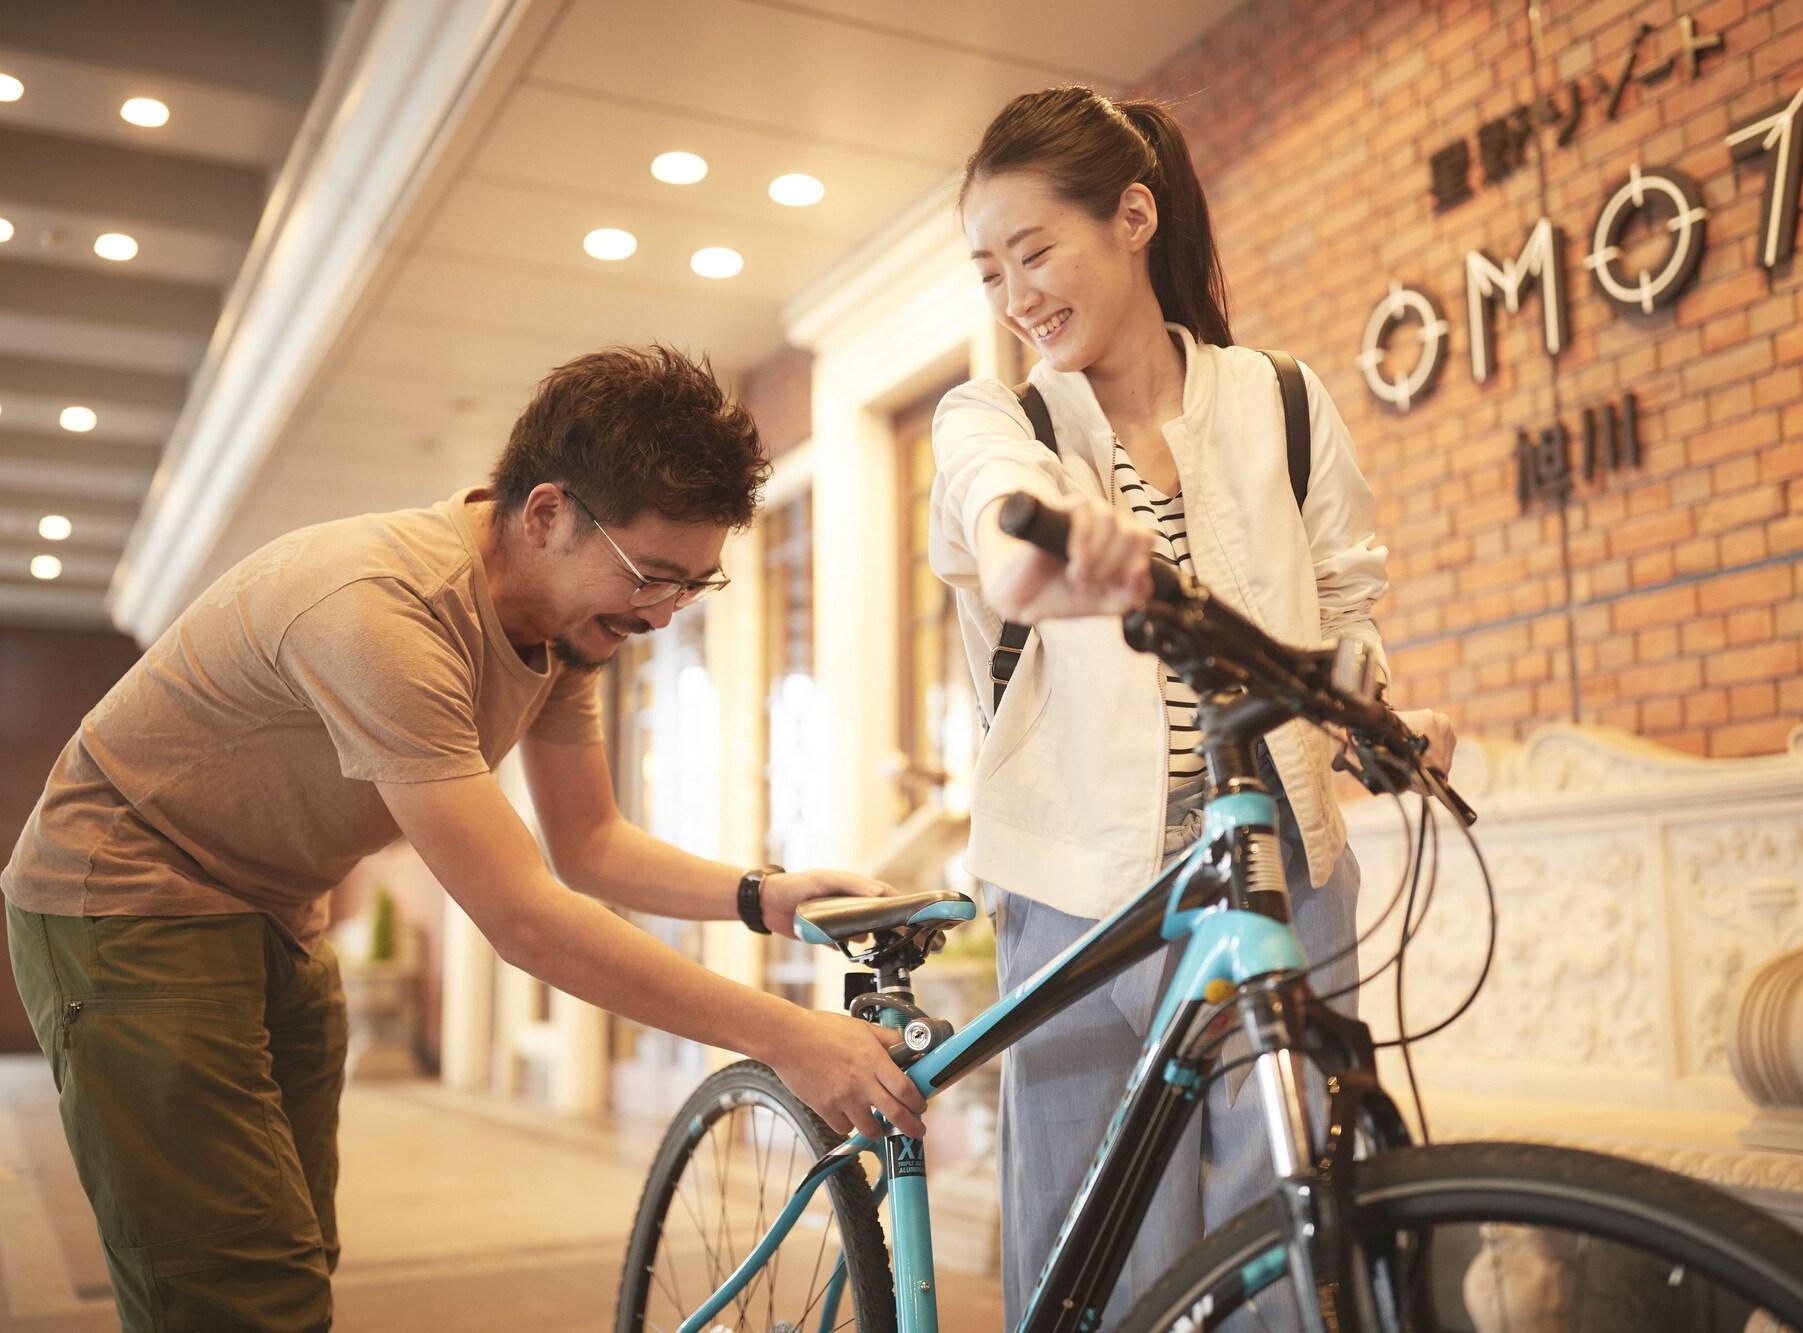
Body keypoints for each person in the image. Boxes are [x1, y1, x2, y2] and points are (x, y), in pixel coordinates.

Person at [3, 344, 926, 1332]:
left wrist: (760, 896)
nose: (662, 613)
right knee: (233, 1284)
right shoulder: (378, 613)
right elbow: (523, 917)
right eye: (652, 577)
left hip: (274, 905)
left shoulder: (570, 623)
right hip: (127, 896)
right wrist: (785, 1033)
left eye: (692, 587)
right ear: (545, 513)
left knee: (294, 1252)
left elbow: (590, 843)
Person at [928, 86, 1456, 1326]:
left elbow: (1341, 609)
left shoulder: (1277, 400)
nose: (1015, 297)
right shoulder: (995, 414)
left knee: (1292, 1247)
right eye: (988, 270)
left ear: (1129, 217)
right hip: (1074, 893)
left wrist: (1377, 717)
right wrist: (1051, 558)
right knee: (1097, 1272)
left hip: (1280, 867)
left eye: (1034, 252)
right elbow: (997, 525)